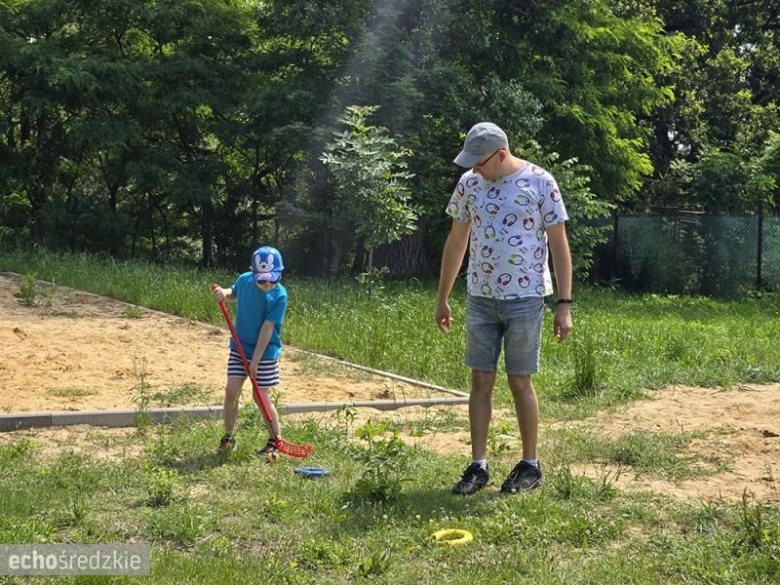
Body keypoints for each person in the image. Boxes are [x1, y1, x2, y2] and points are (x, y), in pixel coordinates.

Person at [436, 122, 572, 495]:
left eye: (479, 162)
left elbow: (559, 244)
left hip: (526, 299)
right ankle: (478, 466)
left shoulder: (540, 182)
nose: (474, 169)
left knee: (519, 381)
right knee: (480, 380)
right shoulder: (469, 184)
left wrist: (564, 304)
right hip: (481, 297)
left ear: (501, 154)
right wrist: (443, 296)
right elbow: (457, 239)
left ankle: (530, 465)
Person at [212, 245, 288, 459]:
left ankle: (275, 441)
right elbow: (233, 292)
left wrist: (254, 362)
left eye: (273, 280)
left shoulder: (280, 296)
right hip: (239, 347)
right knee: (231, 391)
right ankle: (228, 438)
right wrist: (223, 293)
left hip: (265, 353)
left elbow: (267, 329)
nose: (268, 285)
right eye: (262, 280)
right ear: (253, 274)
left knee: (260, 396)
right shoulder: (245, 280)